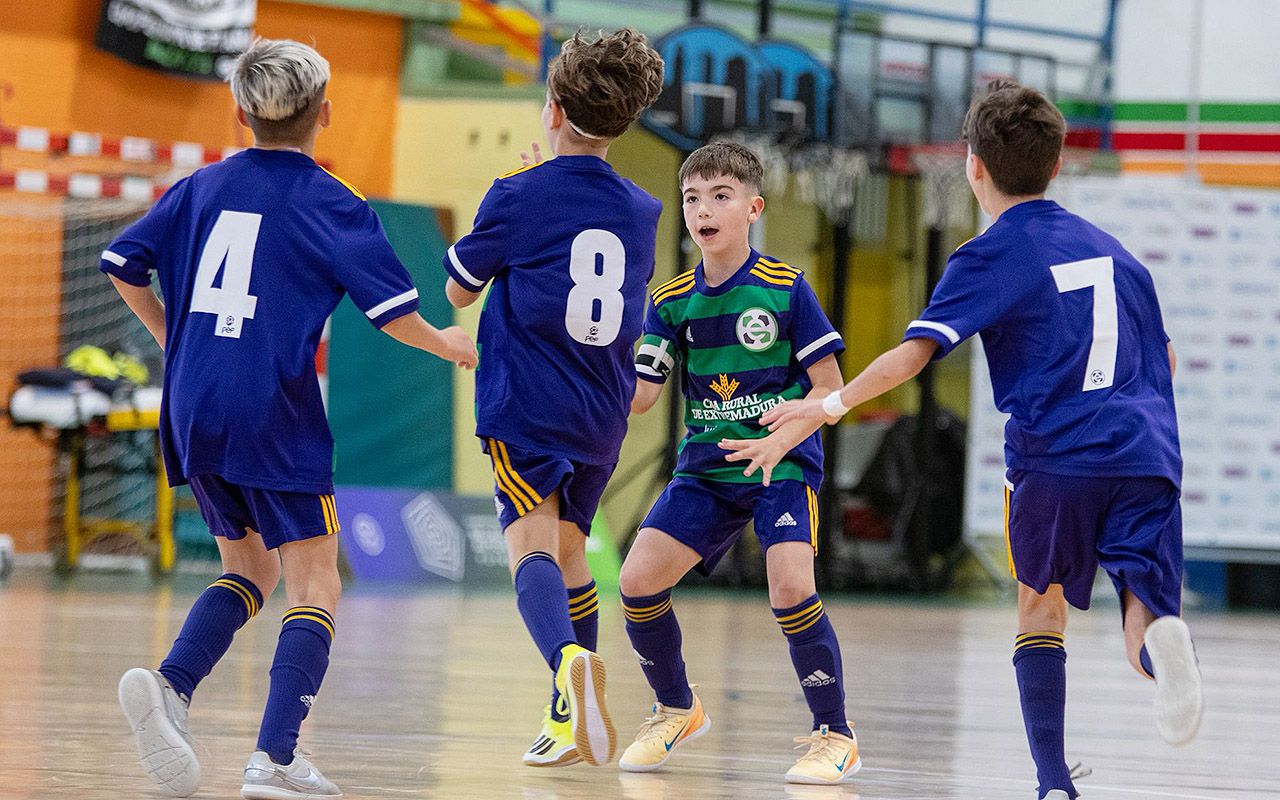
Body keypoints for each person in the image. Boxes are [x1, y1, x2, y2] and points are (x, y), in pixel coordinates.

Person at [724, 80, 1203, 800]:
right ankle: (1162, 648)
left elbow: (912, 357)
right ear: (1057, 163)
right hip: (1147, 452)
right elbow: (1164, 358)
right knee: (1146, 607)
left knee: (1040, 611)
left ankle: (1052, 783)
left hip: (1057, 457)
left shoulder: (991, 253)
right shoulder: (1117, 253)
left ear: (973, 167)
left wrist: (827, 404)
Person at [106, 38, 477, 800]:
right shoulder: (333, 201)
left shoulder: (198, 186)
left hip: (191, 402)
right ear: (325, 113)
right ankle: (275, 758)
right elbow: (392, 313)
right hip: (271, 407)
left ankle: (172, 687)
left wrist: (173, 338)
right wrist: (446, 343)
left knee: (250, 567)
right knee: (315, 584)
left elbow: (121, 264)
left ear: (240, 114)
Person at [441, 28, 664, 768]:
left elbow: (458, 289)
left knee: (529, 548)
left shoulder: (516, 193)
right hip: (601, 412)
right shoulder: (642, 209)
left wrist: (506, 196)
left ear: (555, 109)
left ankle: (567, 669)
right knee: (571, 551)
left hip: (527, 404)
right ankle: (567, 718)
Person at [619, 141, 857, 785]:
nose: (703, 209)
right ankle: (676, 707)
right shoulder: (670, 301)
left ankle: (834, 734)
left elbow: (828, 390)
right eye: (692, 198)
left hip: (782, 463)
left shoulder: (785, 288)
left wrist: (780, 440)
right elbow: (641, 397)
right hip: (707, 468)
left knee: (790, 587)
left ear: (753, 208)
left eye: (720, 196)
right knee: (637, 581)